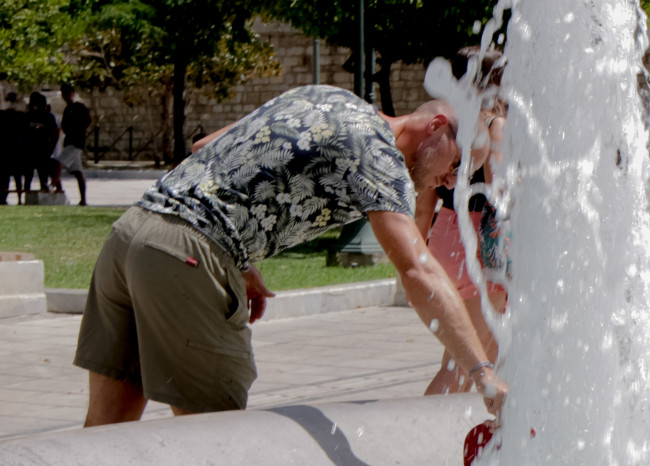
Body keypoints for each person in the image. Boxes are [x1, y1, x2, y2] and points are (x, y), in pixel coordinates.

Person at [73, 84, 508, 426]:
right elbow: (418, 270)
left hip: (129, 236)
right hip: (186, 257)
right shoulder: (378, 154)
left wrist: (241, 260)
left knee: (108, 427)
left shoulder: (330, 97)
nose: (452, 182)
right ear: (436, 125)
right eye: (459, 165)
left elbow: (208, 147)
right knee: (216, 436)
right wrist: (482, 373)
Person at [421, 49, 509, 395]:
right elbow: (500, 195)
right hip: (478, 248)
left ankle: (489, 442)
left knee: (492, 355)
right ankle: (422, 435)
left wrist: (419, 254)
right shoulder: (493, 125)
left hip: (443, 235)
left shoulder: (446, 125)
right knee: (461, 366)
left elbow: (423, 197)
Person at [57, 85, 92, 206]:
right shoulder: (68, 108)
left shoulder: (79, 107)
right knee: (77, 172)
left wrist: (78, 130)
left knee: (56, 165)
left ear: (71, 93)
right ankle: (83, 200)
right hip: (70, 142)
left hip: (75, 142)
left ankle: (57, 189)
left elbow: (88, 119)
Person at [22, 92, 58, 194]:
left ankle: (44, 193)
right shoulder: (27, 116)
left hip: (43, 150)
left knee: (43, 176)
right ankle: (27, 194)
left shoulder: (48, 117)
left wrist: (51, 148)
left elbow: (54, 133)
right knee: (28, 176)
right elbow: (23, 131)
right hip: (29, 149)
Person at [0, 93, 26, 204]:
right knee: (16, 176)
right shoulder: (20, 115)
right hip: (15, 148)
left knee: (5, 176)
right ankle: (19, 198)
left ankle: (4, 198)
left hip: (6, 148)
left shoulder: (3, 115)